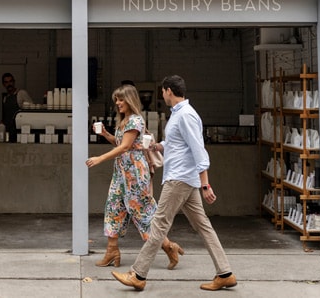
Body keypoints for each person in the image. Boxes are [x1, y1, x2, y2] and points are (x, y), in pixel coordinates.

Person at [112, 75, 237, 292]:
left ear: (169, 91)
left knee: (159, 224)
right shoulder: (179, 115)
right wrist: (157, 146)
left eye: (163, 91)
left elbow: (199, 150)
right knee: (204, 226)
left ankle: (138, 274)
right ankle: (225, 273)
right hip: (185, 179)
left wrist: (205, 184)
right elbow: (177, 144)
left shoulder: (186, 115)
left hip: (179, 179)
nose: (162, 95)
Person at [86, 84, 184, 270]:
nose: (118, 102)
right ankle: (111, 251)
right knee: (114, 207)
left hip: (135, 175)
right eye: (116, 99)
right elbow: (121, 143)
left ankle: (168, 246)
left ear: (130, 100)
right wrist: (106, 134)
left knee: (143, 213)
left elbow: (124, 147)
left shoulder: (135, 121)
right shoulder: (124, 120)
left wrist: (100, 158)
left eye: (121, 99)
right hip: (121, 173)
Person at [1, 72, 33, 143]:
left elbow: (32, 110)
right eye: (6, 82)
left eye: (10, 81)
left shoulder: (21, 93)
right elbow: (6, 116)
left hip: (20, 133)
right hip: (9, 133)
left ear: (14, 82)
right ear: (3, 84)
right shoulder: (5, 98)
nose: (9, 84)